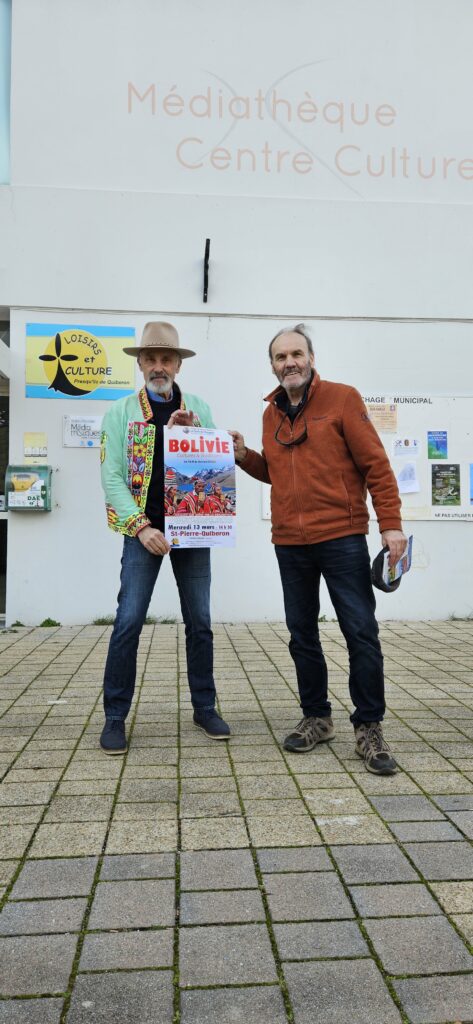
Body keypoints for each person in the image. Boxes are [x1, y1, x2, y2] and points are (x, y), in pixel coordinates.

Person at [231, 324, 407, 775]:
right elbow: (276, 471)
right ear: (272, 365)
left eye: (296, 353)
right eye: (280, 356)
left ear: (310, 357)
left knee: (360, 632)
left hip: (342, 537)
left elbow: (377, 467)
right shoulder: (271, 414)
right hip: (289, 542)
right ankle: (317, 717)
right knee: (301, 634)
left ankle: (369, 728)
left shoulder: (343, 398)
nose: (289, 362)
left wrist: (391, 527)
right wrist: (242, 454)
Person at [99, 321, 230, 754]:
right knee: (129, 621)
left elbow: (211, 469)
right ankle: (115, 716)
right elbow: (112, 477)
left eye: (166, 358)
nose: (159, 366)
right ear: (140, 364)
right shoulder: (120, 412)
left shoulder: (200, 408)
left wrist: (189, 433)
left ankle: (204, 706)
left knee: (201, 623)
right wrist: (141, 527)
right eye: (151, 358)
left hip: (192, 531)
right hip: (144, 531)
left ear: (177, 364)